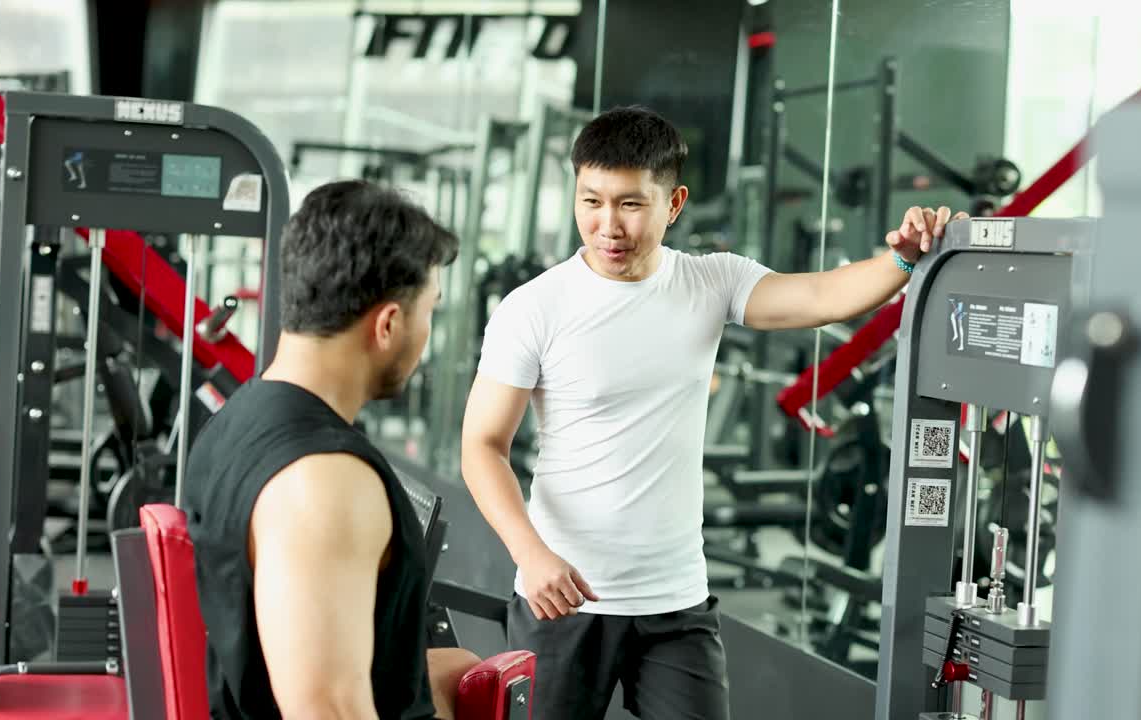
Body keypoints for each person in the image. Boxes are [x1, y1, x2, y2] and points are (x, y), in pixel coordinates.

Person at [459, 105, 966, 720]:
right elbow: (483, 444)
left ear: (674, 204)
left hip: (676, 604)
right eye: (590, 201)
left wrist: (905, 259)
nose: (606, 225)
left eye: (630, 204)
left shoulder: (711, 282)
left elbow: (821, 295)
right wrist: (530, 554)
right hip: (563, 601)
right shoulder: (533, 308)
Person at [185, 180, 481, 720]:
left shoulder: (240, 417)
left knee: (463, 666)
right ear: (389, 323)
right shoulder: (323, 481)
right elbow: (327, 710)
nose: (428, 333)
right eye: (430, 311)